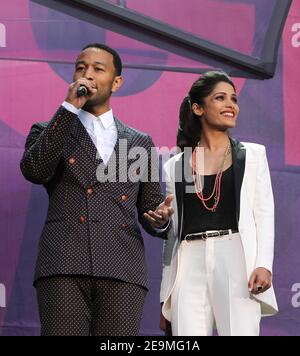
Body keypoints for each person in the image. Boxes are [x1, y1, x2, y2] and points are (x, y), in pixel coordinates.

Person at [20, 43, 173, 336]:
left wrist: (161, 218)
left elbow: (151, 209)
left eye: (97, 69)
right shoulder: (48, 128)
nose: (87, 74)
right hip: (63, 264)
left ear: (116, 82)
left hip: (122, 269)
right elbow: (34, 170)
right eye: (81, 67)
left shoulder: (139, 142)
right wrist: (67, 109)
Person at [159, 71, 278, 336]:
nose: (231, 105)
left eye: (233, 99)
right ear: (198, 108)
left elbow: (264, 214)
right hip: (188, 262)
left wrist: (263, 264)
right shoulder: (176, 166)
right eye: (220, 98)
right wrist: (165, 294)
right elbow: (171, 239)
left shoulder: (253, 155)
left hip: (236, 257)